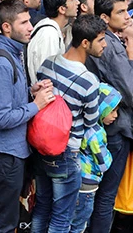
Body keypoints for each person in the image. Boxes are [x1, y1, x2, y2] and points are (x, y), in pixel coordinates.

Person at [0, 0, 54, 233]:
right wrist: (37, 105)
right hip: (3, 155)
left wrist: (30, 93)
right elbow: (1, 118)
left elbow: (6, 100)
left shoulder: (12, 55)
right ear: (7, 28)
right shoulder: (2, 62)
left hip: (10, 154)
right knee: (3, 225)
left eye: (29, 20)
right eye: (23, 22)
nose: (30, 26)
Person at [33, 14, 105, 233]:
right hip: (66, 153)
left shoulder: (48, 64)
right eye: (101, 40)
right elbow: (92, 121)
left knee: (42, 207)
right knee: (62, 217)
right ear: (85, 43)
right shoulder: (89, 81)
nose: (105, 44)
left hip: (40, 147)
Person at [88, 0, 133, 233]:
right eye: (120, 12)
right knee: (106, 197)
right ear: (105, 18)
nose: (127, 16)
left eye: (127, 10)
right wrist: (132, 54)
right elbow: (130, 94)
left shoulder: (103, 40)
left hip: (106, 127)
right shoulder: (111, 45)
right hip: (114, 131)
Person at [70, 83, 119, 233]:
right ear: (102, 108)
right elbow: (104, 164)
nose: (115, 116)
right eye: (112, 111)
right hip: (87, 185)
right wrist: (110, 155)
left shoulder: (81, 124)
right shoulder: (96, 133)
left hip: (75, 180)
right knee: (79, 225)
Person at [27, 0, 79, 83]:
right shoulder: (48, 34)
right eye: (73, 0)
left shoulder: (53, 30)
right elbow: (47, 75)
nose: (77, 3)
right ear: (62, 9)